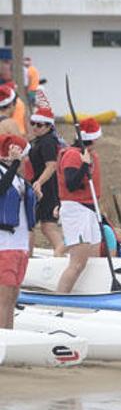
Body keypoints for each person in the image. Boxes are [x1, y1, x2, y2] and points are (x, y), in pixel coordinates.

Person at [56, 118, 104, 294]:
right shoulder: (72, 155)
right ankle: (59, 301)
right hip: (77, 210)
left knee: (94, 260)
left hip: (90, 209)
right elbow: (71, 184)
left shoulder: (89, 154)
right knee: (77, 264)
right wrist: (84, 165)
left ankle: (90, 296)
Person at [0, 134, 35, 328]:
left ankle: (10, 337)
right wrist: (14, 164)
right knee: (3, 299)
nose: (26, 160)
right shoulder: (6, 172)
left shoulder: (18, 178)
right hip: (4, 245)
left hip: (20, 245)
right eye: (24, 155)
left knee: (13, 297)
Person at [27, 107, 64, 256]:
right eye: (33, 123)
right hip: (43, 187)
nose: (35, 127)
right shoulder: (39, 140)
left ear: (49, 126)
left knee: (36, 225)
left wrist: (39, 182)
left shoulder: (48, 142)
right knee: (45, 225)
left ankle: (59, 252)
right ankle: (60, 252)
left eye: (40, 125)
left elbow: (52, 166)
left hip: (46, 188)